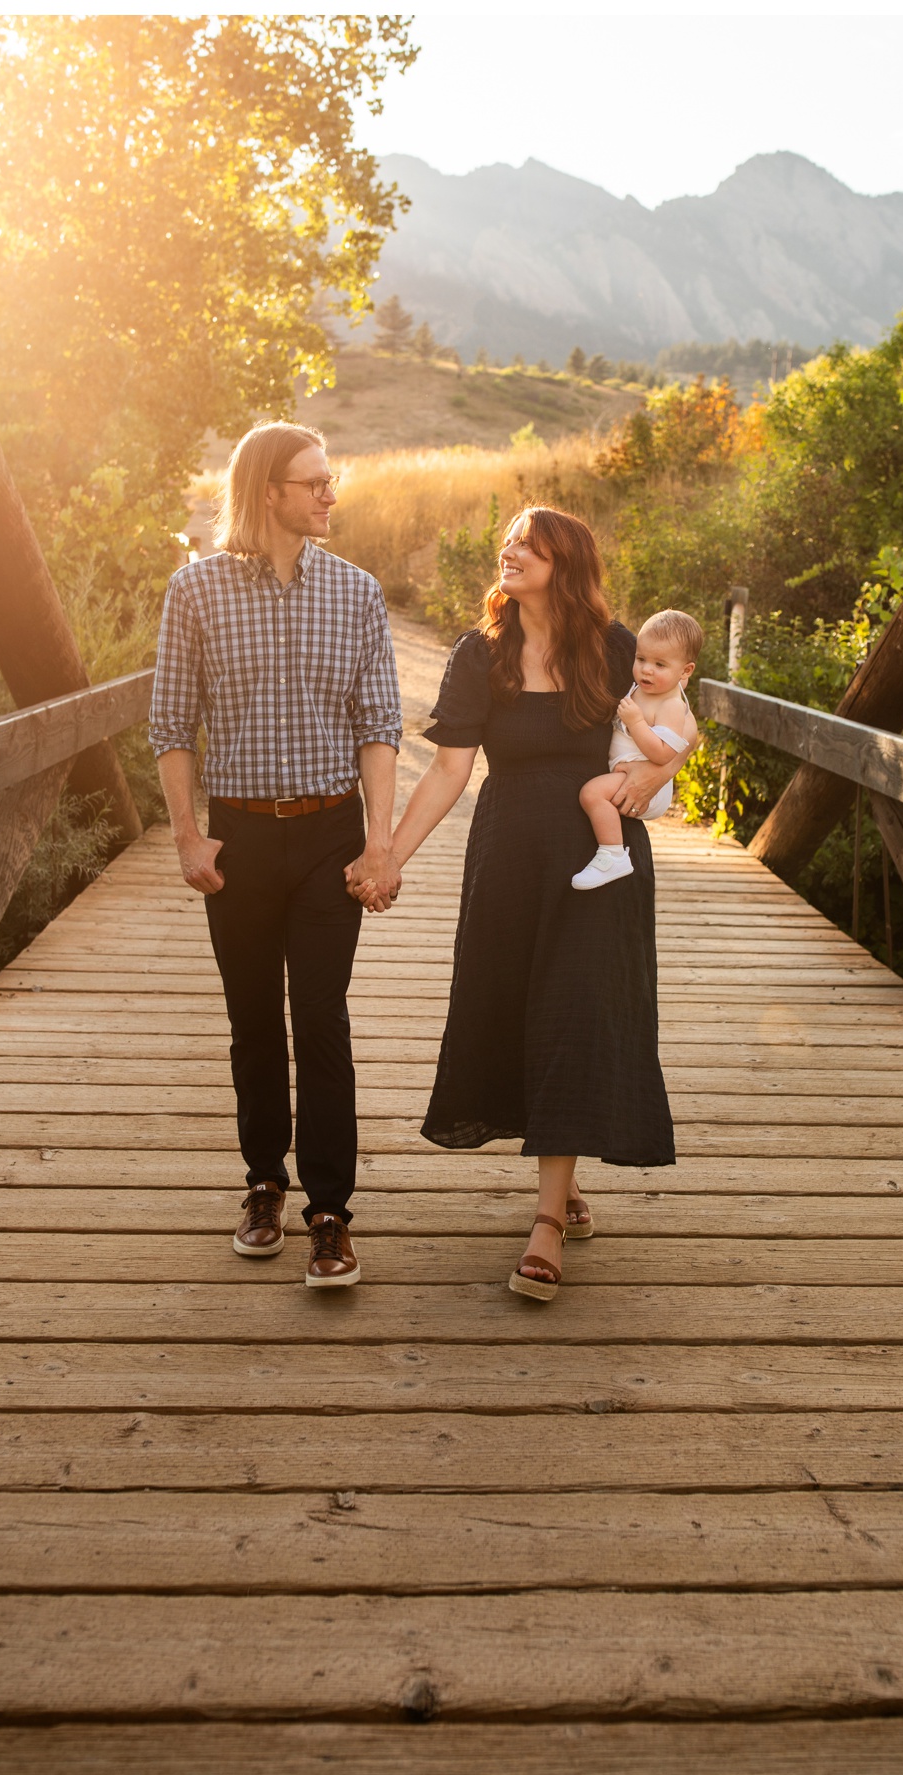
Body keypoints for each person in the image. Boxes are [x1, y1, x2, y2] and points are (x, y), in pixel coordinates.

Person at [368, 506, 676, 1301]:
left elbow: (675, 723)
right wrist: (388, 858)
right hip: (508, 855)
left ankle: (544, 1223)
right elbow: (447, 772)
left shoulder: (615, 648)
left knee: (576, 1013)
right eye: (506, 540)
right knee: (517, 1013)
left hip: (595, 862)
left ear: (564, 561)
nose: (509, 552)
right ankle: (561, 1180)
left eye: (528, 544)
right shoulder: (482, 653)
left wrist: (648, 778)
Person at [150, 421, 403, 1289]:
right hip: (243, 837)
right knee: (254, 1020)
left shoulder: (359, 593)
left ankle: (330, 1211)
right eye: (315, 482)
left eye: (331, 480)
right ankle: (264, 1181)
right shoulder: (196, 592)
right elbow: (171, 726)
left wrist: (381, 843)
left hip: (332, 837)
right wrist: (188, 834)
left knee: (321, 1019)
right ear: (269, 492)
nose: (331, 494)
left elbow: (379, 728)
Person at [574, 608, 702, 890]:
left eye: (659, 664)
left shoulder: (670, 704)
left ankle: (612, 854)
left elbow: (662, 754)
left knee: (591, 793)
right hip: (627, 771)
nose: (646, 669)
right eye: (641, 658)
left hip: (647, 784)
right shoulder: (647, 688)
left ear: (685, 671)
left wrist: (635, 722)